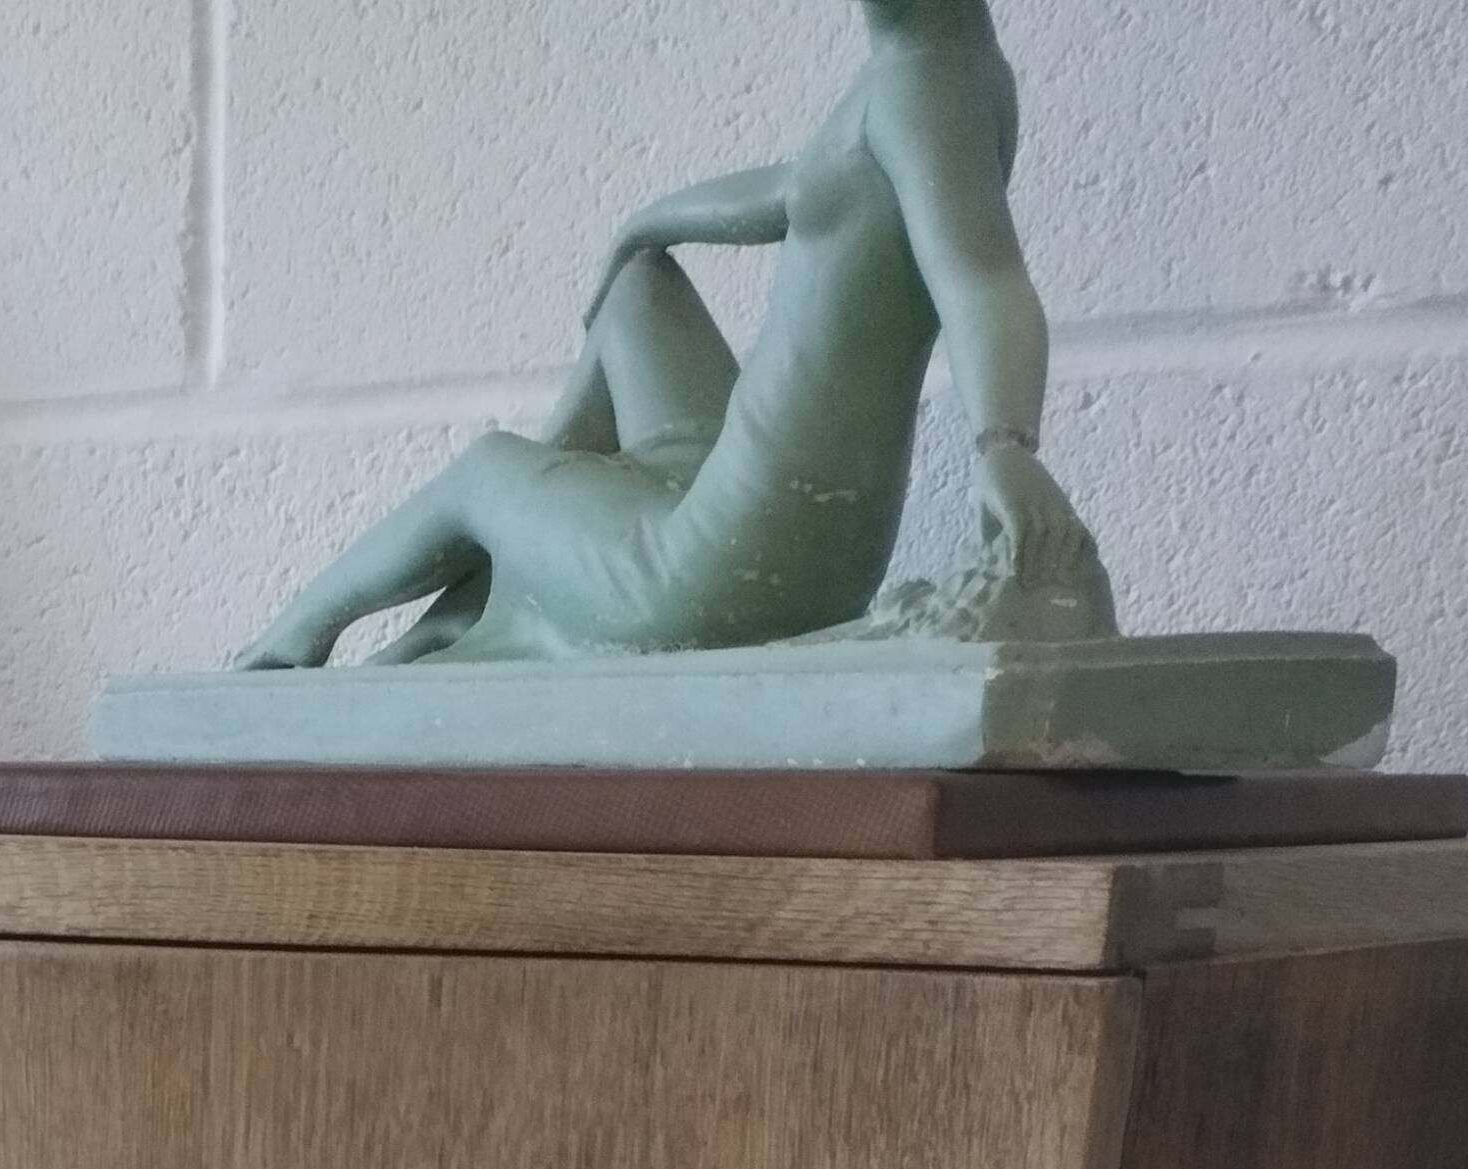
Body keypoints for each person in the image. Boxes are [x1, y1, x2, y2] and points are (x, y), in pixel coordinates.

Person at [236, 0, 1110, 672]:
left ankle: (297, 635)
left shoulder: (929, 87)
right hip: (732, 499)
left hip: (717, 571)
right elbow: (803, 188)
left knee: (487, 470)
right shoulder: (929, 69)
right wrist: (644, 226)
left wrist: (1006, 444)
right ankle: (504, 579)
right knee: (636, 295)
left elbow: (984, 278)